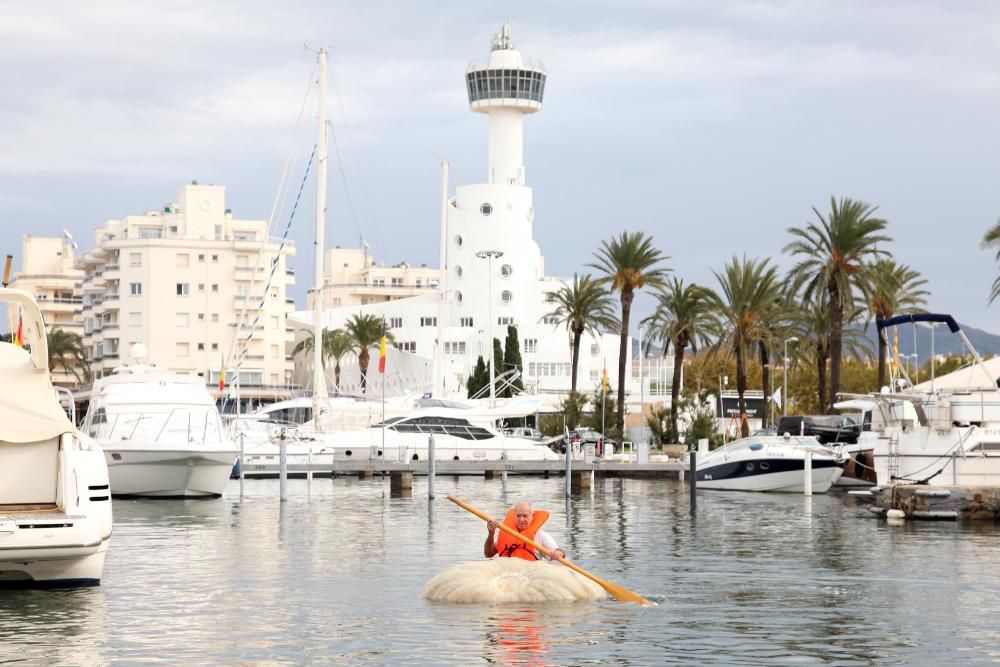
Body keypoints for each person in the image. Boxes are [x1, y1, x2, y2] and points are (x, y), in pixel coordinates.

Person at [484, 500, 565, 561]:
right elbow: (488, 554)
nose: (521, 519)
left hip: (529, 576)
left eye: (525, 516)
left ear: (532, 516)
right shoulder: (507, 532)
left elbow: (560, 552)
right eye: (518, 516)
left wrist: (559, 553)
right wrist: (491, 534)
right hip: (508, 574)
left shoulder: (541, 536)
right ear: (514, 515)